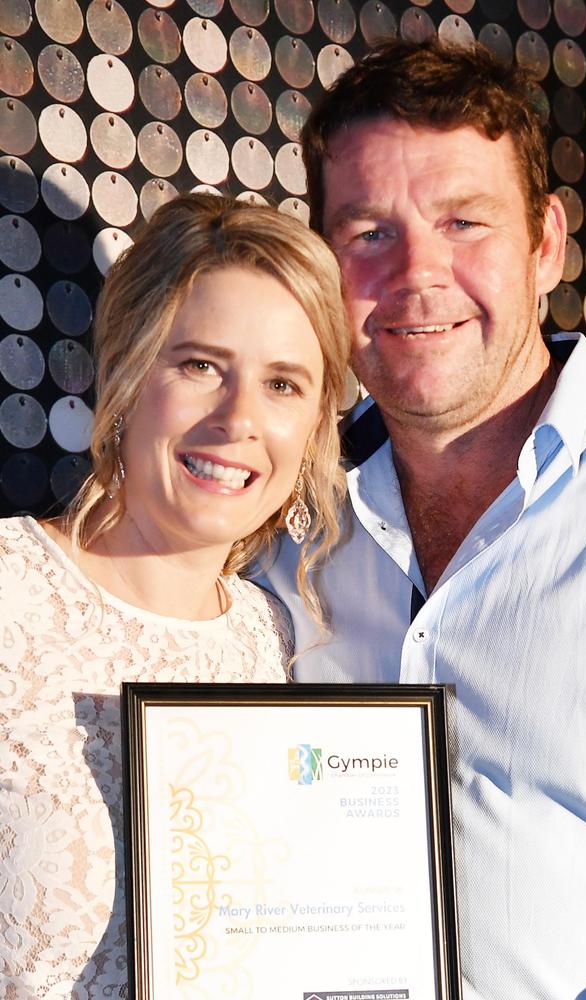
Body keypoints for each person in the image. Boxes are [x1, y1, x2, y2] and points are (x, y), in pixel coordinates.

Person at [261, 39, 586, 999]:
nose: (417, 275)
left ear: (546, 242)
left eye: (464, 221)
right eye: (369, 234)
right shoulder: (275, 523)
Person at [0, 193, 350, 997]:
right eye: (200, 366)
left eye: (284, 385)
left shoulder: (273, 641)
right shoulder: (10, 590)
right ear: (127, 377)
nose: (239, 420)